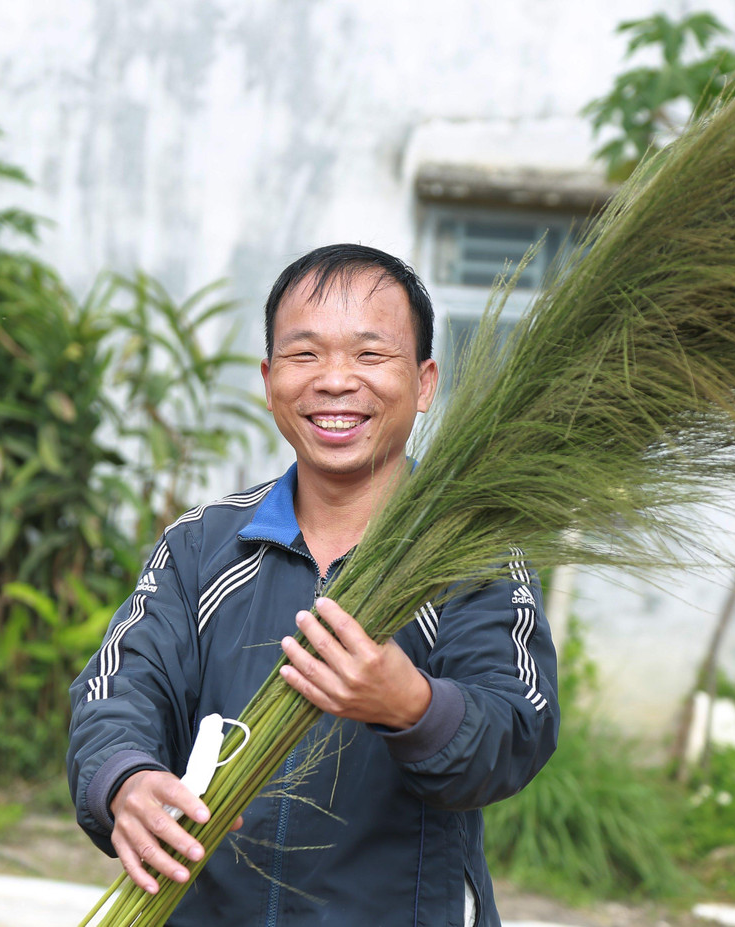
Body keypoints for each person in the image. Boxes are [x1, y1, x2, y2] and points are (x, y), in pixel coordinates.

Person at [68, 243, 559, 926]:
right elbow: (116, 687)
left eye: (369, 354)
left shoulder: (468, 554)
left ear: (424, 382)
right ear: (270, 379)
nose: (334, 380)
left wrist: (409, 704)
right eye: (305, 354)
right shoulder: (202, 545)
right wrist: (124, 779)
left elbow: (518, 730)